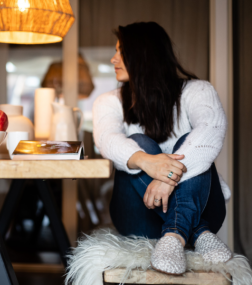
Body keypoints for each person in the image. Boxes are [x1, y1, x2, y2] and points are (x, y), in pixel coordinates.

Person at [93, 22, 232, 275]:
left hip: (206, 205)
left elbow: (211, 129)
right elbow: (106, 138)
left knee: (189, 141)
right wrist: (147, 161)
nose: (113, 59)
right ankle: (197, 232)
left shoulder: (197, 90)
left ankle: (174, 235)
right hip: (139, 216)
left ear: (145, 54)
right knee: (140, 143)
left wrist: (168, 177)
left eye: (121, 51)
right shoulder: (108, 102)